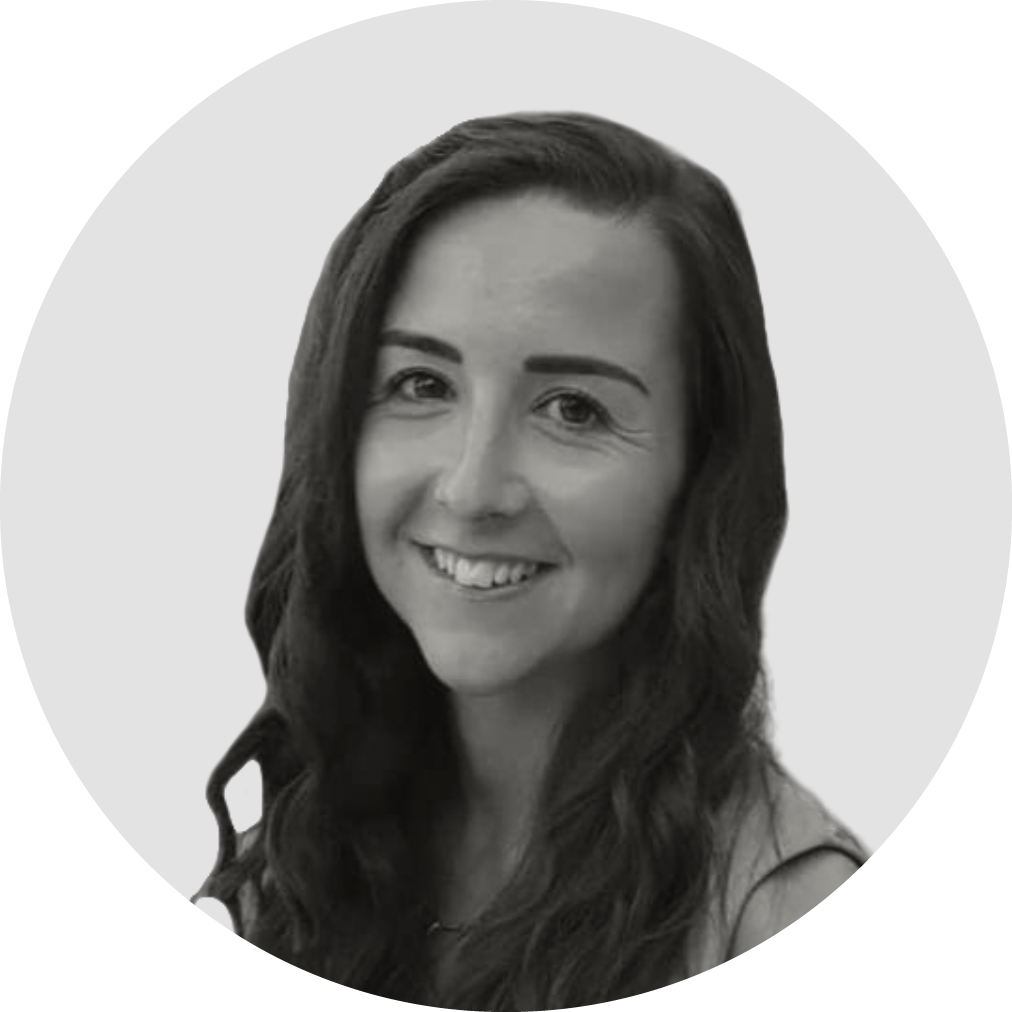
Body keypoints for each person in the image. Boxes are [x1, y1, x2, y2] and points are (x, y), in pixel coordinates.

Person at [194, 111, 867, 1008]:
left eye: (575, 410)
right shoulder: (293, 863)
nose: (473, 490)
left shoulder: (793, 920)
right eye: (420, 385)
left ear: (701, 473)